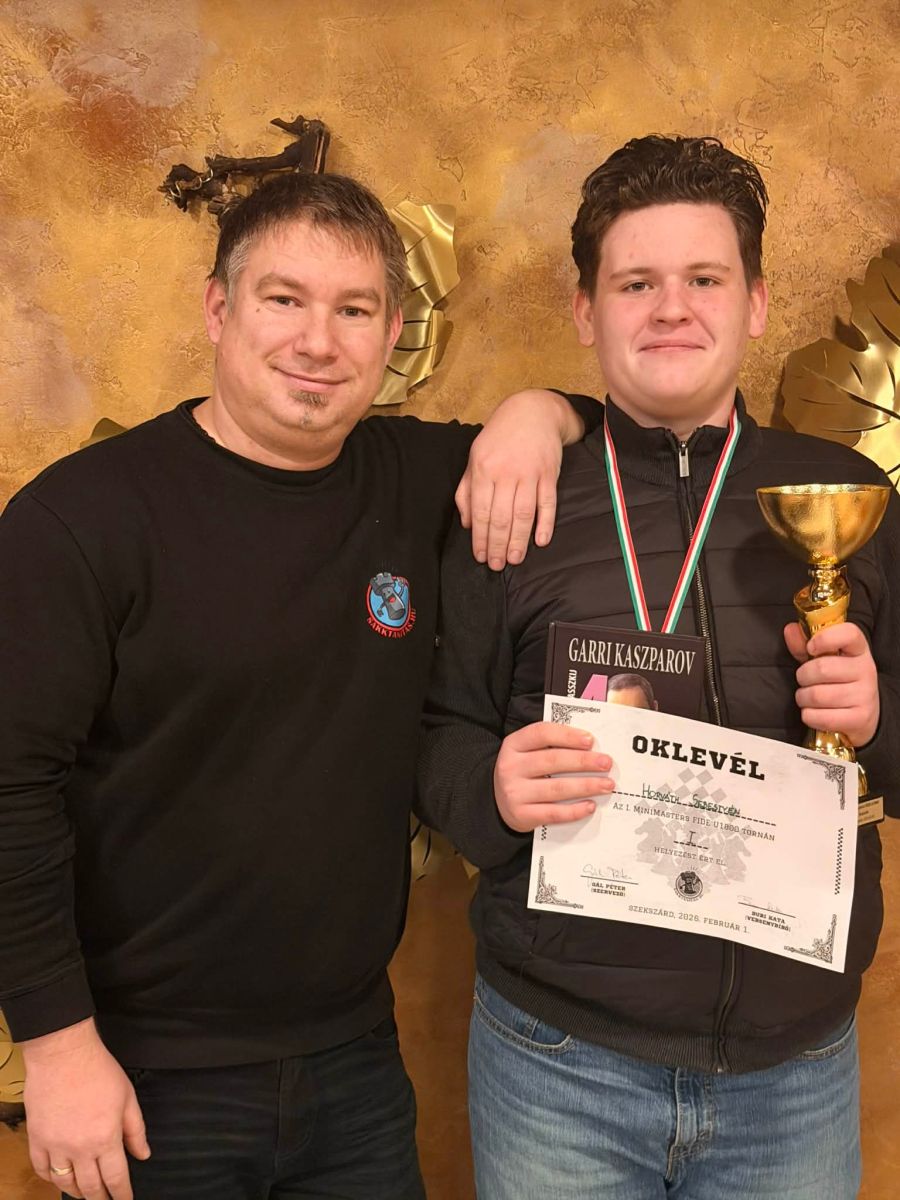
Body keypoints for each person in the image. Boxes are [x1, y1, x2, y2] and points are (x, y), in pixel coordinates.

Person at [0, 170, 600, 1200]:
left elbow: (603, 427)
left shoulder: (418, 477)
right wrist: (57, 1046)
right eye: (284, 299)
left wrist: (537, 413)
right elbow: (9, 789)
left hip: (354, 1065)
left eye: (353, 310)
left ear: (392, 331)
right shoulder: (80, 520)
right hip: (144, 1075)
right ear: (218, 308)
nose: (318, 341)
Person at [418, 135, 899, 1199]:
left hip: (795, 1075)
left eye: (705, 280)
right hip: (558, 1065)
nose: (671, 309)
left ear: (756, 304)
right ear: (586, 311)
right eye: (636, 283)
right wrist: (492, 791)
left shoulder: (847, 501)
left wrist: (877, 721)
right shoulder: (514, 500)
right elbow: (440, 728)